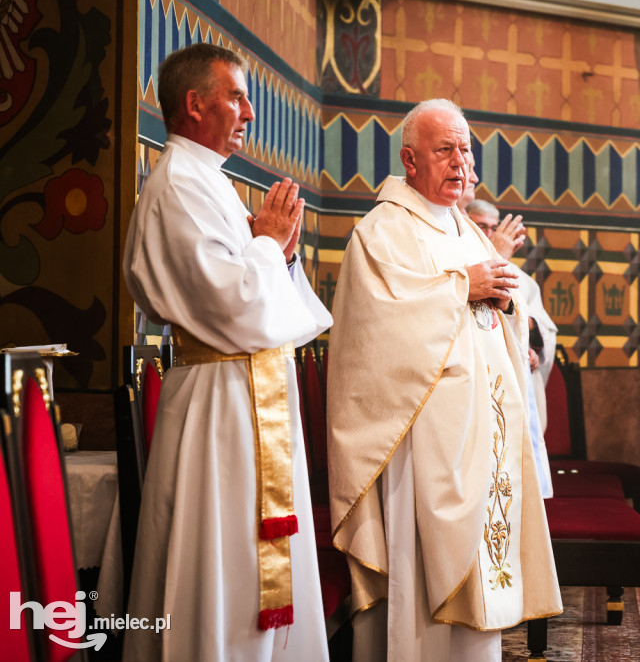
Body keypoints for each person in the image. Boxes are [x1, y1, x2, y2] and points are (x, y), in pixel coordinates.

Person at [325, 98, 562, 661]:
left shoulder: (463, 228)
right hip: (424, 438)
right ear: (410, 160)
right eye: (445, 150)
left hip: (484, 435)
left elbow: (499, 306)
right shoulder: (381, 232)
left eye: (466, 149)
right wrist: (464, 287)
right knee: (425, 585)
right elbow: (377, 329)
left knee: (483, 578)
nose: (461, 162)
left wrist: (503, 300)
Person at [122, 43, 332, 661]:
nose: (248, 112)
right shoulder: (178, 187)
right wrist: (268, 245)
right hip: (220, 409)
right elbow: (235, 307)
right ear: (195, 104)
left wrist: (279, 252)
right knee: (223, 562)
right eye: (236, 96)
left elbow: (260, 298)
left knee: (250, 562)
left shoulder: (204, 181)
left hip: (246, 403)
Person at [465, 199, 558, 496]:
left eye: (495, 227)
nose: (491, 234)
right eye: (482, 227)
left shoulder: (522, 280)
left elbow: (542, 329)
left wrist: (529, 346)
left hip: (515, 387)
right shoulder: (458, 271)